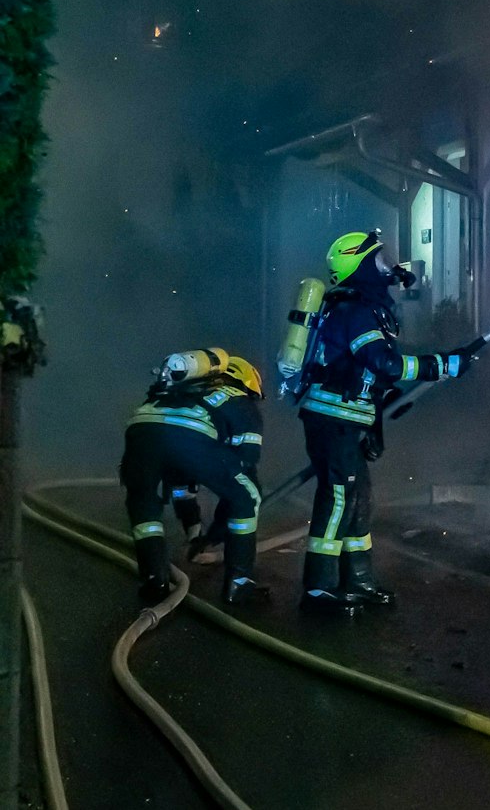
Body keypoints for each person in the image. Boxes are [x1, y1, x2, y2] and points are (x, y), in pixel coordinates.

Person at [297, 230, 463, 616]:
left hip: (348, 418)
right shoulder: (355, 311)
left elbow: (371, 373)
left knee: (358, 500)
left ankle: (359, 580)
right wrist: (442, 365)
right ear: (358, 268)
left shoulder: (364, 309)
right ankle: (318, 589)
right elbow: (385, 363)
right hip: (333, 418)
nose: (388, 266)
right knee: (338, 498)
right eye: (377, 260)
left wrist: (383, 407)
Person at [120, 351, 268, 605]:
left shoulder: (182, 391)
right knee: (248, 495)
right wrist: (219, 530)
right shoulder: (239, 399)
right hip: (190, 435)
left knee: (142, 502)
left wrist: (196, 534)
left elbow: (181, 484)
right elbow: (245, 467)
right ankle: (239, 584)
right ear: (248, 382)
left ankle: (155, 580)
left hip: (140, 427)